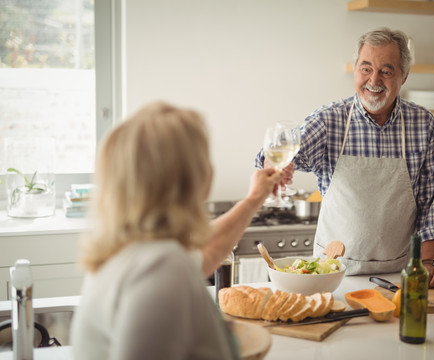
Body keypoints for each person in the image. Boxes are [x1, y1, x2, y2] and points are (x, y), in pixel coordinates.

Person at [71, 101, 282, 359]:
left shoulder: (135, 254)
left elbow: (205, 255)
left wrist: (254, 199)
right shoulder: (160, 271)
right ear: (192, 181)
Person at [255, 27, 434, 288]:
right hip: (332, 274)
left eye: (386, 70)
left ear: (403, 77)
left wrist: (428, 265)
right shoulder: (330, 120)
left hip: (398, 276)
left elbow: (433, 204)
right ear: (356, 69)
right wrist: (277, 165)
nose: (374, 80)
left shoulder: (423, 124)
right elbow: (276, 152)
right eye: (366, 68)